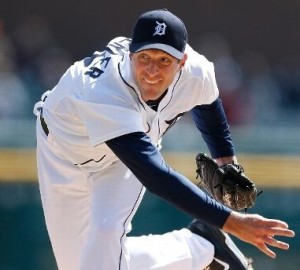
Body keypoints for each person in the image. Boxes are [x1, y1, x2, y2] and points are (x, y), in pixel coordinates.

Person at [33, 8, 295, 270]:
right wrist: (230, 221)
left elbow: (207, 102)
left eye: (163, 60)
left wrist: (227, 162)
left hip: (123, 156)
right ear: (130, 55)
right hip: (64, 154)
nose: (151, 70)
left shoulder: (196, 70)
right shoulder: (105, 90)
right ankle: (199, 246)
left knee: (105, 235)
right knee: (78, 264)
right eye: (144, 57)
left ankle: (202, 243)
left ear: (182, 62)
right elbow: (154, 174)